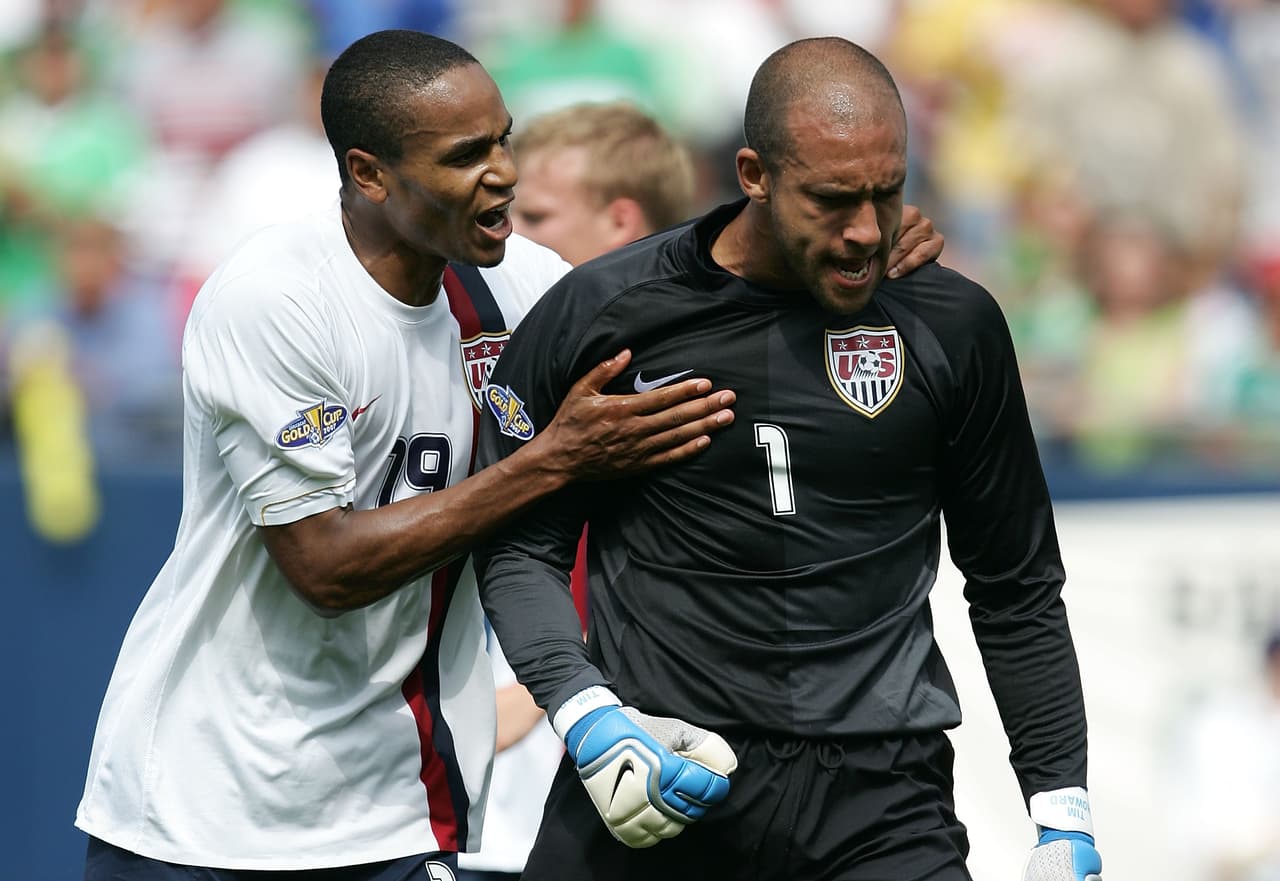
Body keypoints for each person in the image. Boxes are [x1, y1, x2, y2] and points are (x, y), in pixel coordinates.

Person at [73, 29, 742, 880]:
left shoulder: (522, 289)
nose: (503, 172)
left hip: (399, 809)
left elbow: (696, 310)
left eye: (505, 140)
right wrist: (549, 461)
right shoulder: (277, 300)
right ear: (369, 173)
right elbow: (325, 567)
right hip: (210, 806)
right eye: (466, 155)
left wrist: (885, 282)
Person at [475, 37, 1102, 881]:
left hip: (881, 801)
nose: (865, 232)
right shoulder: (605, 314)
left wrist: (1061, 811)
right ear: (753, 173)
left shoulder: (952, 325)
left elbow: (1015, 585)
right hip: (660, 773)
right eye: (833, 199)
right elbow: (516, 541)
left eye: (888, 193)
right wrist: (586, 713)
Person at [459, 98, 947, 881]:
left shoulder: (676, 335)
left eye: (539, 213)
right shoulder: (499, 317)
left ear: (621, 221)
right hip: (517, 770)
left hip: (663, 760)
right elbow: (512, 547)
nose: (513, 238)